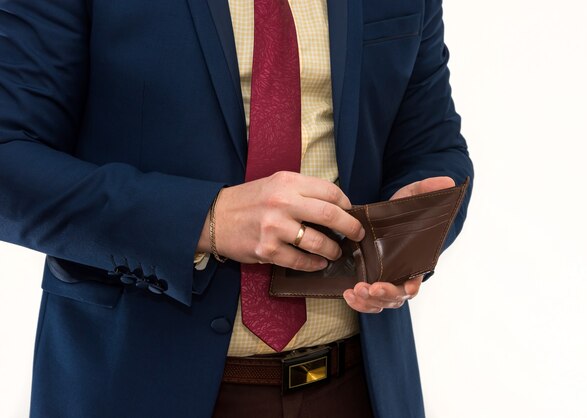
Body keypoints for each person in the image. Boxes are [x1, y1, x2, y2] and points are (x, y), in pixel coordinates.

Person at [0, 0, 473, 416]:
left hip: (360, 388)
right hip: (135, 384)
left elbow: (431, 145)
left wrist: (415, 223)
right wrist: (206, 219)